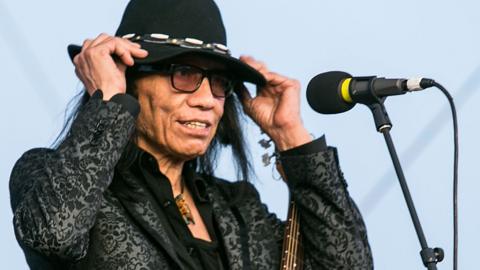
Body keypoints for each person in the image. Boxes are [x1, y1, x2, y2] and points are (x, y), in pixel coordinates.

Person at [9, 0, 373, 269]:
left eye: (219, 82)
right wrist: (106, 98)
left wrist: (292, 138)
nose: (207, 101)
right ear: (129, 79)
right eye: (184, 74)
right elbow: (53, 234)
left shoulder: (239, 208)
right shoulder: (44, 175)